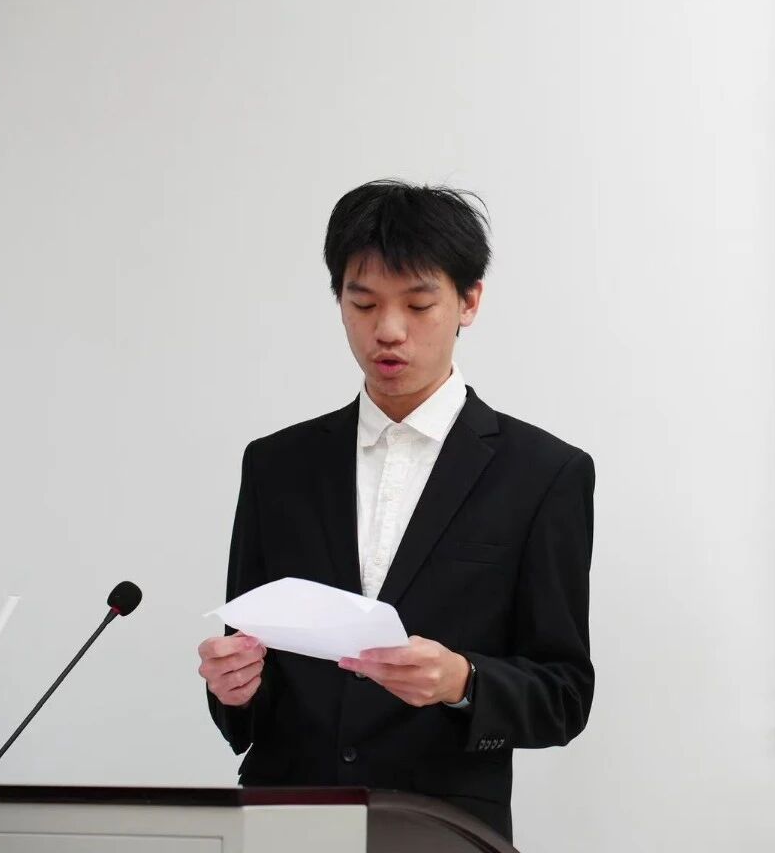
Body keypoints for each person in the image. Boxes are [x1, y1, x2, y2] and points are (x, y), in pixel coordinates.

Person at [196, 180, 595, 841]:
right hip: (287, 821)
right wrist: (232, 685)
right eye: (363, 303)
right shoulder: (275, 465)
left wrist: (462, 679)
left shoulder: (543, 473)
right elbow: (251, 664)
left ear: (469, 301)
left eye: (418, 304)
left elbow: (564, 694)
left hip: (443, 828)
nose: (388, 330)